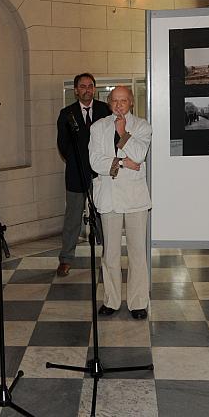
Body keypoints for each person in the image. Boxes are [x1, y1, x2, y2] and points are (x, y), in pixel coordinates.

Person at [88, 86, 152, 319]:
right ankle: (111, 300)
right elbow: (95, 161)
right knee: (111, 253)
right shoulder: (97, 127)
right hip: (109, 197)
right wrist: (123, 163)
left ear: (131, 103)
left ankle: (137, 302)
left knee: (137, 253)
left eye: (123, 100)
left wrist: (124, 133)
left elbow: (139, 154)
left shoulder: (143, 126)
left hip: (135, 199)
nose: (119, 105)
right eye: (115, 100)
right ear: (109, 103)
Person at [55, 73, 111, 277]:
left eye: (90, 86)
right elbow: (63, 145)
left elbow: (113, 139)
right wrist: (80, 161)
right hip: (76, 173)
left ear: (94, 89)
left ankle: (109, 257)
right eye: (83, 86)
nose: (87, 89)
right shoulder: (66, 113)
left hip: (101, 174)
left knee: (105, 215)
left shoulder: (105, 110)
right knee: (72, 218)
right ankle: (66, 258)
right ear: (76, 90)